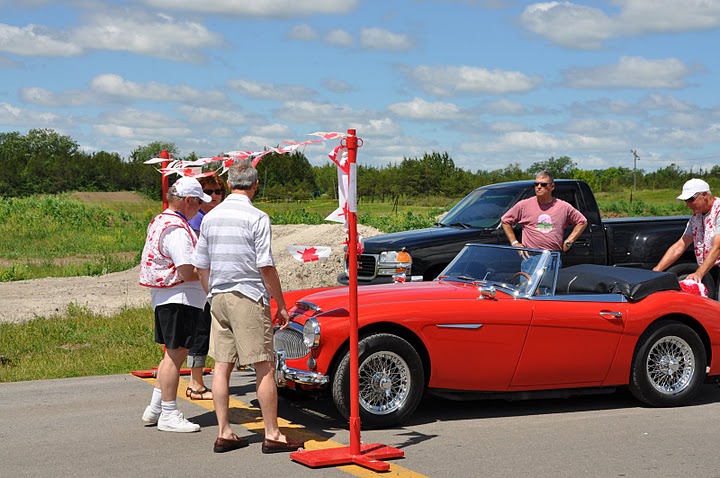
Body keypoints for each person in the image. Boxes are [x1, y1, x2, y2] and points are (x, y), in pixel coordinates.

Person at [193, 159, 304, 454]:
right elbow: (265, 265)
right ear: (255, 185)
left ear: (229, 184)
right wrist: (280, 302)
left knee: (221, 365)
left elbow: (201, 264)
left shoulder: (211, 218)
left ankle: (224, 431)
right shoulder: (257, 217)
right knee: (264, 365)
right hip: (247, 295)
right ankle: (272, 434)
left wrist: (211, 293)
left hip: (219, 296)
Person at [138, 176, 211, 433]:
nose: (200, 208)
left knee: (173, 354)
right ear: (188, 200)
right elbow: (186, 269)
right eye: (198, 202)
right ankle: (169, 413)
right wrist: (208, 272)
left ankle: (156, 408)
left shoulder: (161, 221)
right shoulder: (178, 230)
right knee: (176, 354)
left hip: (169, 297)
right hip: (180, 298)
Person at [183, 174, 227, 401]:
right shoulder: (199, 220)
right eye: (208, 192)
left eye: (217, 192)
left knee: (209, 330)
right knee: (201, 330)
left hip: (213, 281)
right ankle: (196, 382)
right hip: (203, 283)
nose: (213, 197)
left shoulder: (213, 217)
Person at [501, 171, 588, 274]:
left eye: (543, 184)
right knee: (528, 288)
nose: (539, 187)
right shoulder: (523, 205)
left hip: (553, 256)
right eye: (536, 184)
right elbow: (505, 221)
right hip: (531, 257)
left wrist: (569, 241)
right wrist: (515, 243)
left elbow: (582, 221)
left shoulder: (563, 206)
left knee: (549, 289)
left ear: (552, 186)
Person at [653, 179, 720, 290]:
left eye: (690, 200)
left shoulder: (718, 210)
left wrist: (698, 273)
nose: (688, 205)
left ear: (704, 194)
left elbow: (717, 247)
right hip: (710, 269)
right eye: (686, 201)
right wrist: (657, 270)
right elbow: (680, 245)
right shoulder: (695, 218)